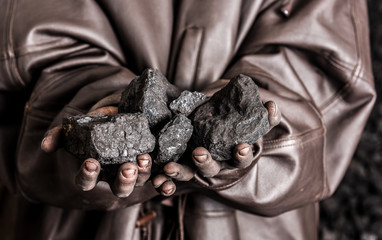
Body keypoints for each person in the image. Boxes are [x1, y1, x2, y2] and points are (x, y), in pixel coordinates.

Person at [0, 0, 376, 239]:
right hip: (73, 224)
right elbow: (21, 53)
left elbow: (330, 81)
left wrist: (251, 139)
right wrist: (92, 108)